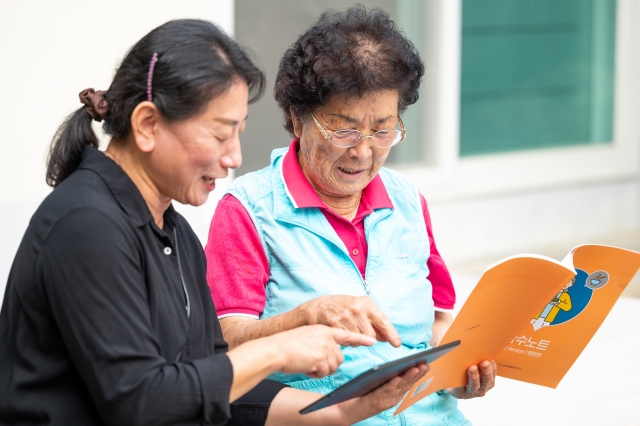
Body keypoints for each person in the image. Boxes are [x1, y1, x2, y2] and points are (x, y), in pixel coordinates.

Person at [0, 19, 430, 426]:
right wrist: (277, 349)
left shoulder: (176, 235)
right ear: (148, 125)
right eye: (220, 133)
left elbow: (217, 381)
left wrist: (344, 410)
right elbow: (140, 401)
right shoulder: (86, 224)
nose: (234, 158)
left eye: (239, 133)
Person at [206, 6, 496, 425]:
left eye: (382, 130)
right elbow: (225, 347)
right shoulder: (249, 210)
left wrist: (461, 374)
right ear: (296, 118)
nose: (363, 152)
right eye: (343, 130)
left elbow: (436, 325)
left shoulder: (407, 200)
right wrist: (306, 314)